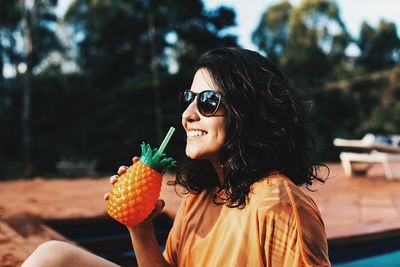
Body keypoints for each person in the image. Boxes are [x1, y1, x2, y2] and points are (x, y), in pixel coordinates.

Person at [22, 47, 330, 266]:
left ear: (248, 112)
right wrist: (140, 229)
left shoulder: (278, 206)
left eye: (208, 101)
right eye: (188, 99)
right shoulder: (202, 196)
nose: (188, 114)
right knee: (53, 257)